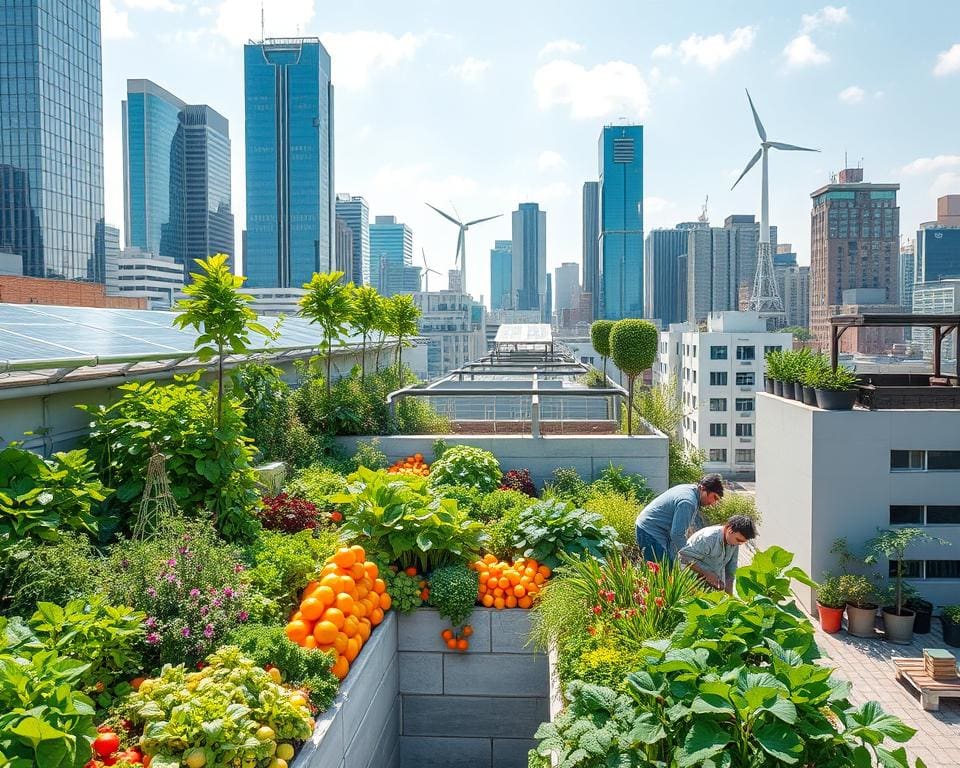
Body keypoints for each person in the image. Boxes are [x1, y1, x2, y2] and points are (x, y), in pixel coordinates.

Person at [634, 474, 724, 562]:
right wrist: (691, 557)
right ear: (703, 488)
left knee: (669, 565)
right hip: (650, 531)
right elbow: (677, 535)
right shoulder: (688, 502)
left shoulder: (691, 489)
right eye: (714, 497)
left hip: (655, 528)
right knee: (660, 571)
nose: (713, 503)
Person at [678, 515, 757, 594]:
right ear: (730, 529)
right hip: (687, 581)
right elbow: (683, 557)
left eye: (742, 542)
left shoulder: (734, 542)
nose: (739, 544)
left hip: (706, 585)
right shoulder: (708, 538)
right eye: (738, 540)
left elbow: (730, 572)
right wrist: (706, 574)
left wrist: (729, 596)